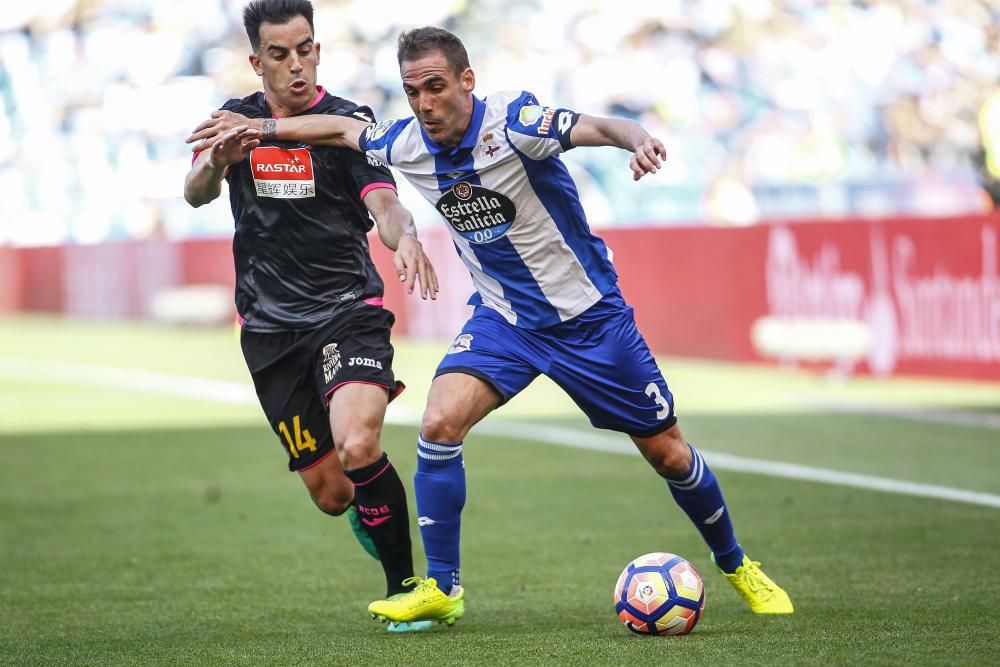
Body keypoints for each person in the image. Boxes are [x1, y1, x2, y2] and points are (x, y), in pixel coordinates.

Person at [188, 26, 793, 627]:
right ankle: (442, 589)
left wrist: (638, 140)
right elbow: (345, 131)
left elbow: (603, 127)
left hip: (589, 321)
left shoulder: (517, 126)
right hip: (504, 322)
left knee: (667, 453)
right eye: (413, 91)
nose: (425, 103)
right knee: (439, 422)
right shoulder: (409, 142)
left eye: (436, 87)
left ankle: (737, 563)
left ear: (466, 81)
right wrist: (257, 130)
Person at [182, 1, 440, 632]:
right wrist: (220, 156)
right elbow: (195, 192)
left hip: (347, 311)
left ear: (318, 50)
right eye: (279, 54)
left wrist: (401, 233)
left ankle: (410, 589)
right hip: (270, 332)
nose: (295, 66)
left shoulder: (348, 122)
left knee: (358, 440)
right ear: (256, 60)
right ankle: (362, 505)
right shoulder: (236, 120)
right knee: (332, 494)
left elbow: (383, 199)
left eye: (305, 49)